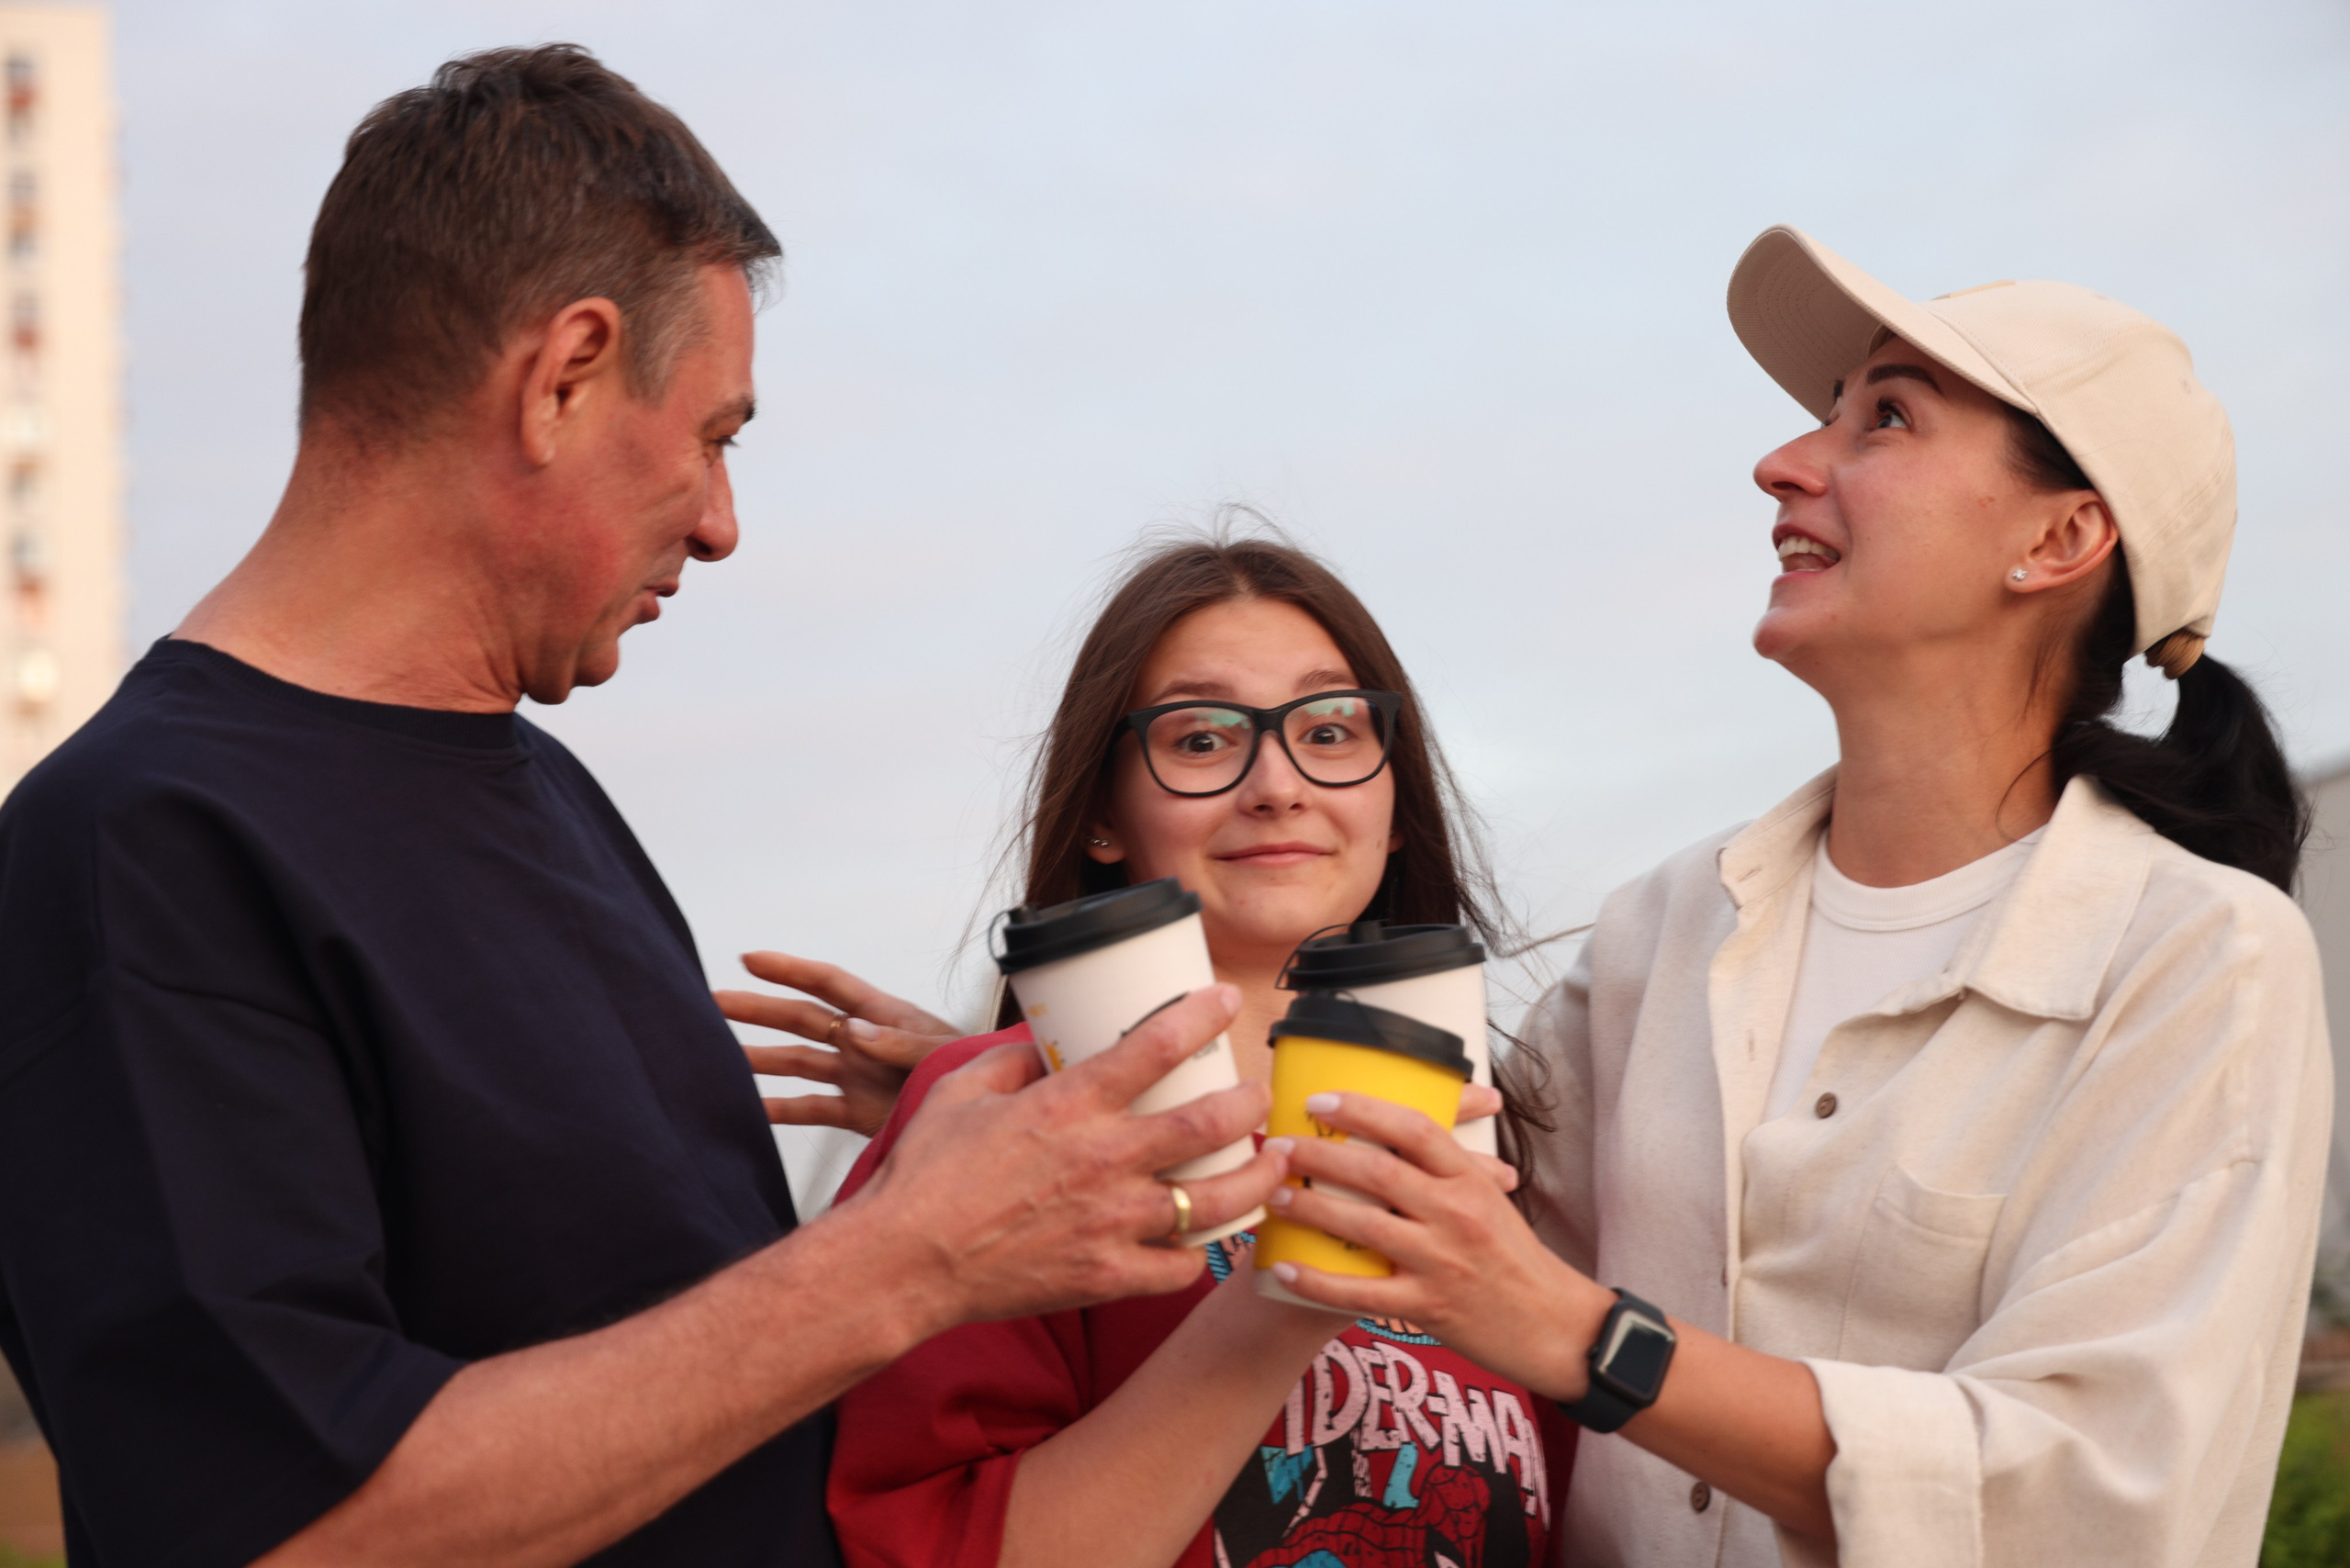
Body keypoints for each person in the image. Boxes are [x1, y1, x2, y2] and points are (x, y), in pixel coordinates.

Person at [0, 47, 1286, 1567]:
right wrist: (909, 1254)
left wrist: (972, 1161)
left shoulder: (548, 796)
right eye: (716, 433)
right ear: (562, 377)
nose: (727, 523)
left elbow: (692, 1371)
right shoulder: (138, 843)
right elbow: (290, 1524)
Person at [1248, 227, 2332, 1568]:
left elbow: (2088, 1496)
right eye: (1826, 412)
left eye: (1885, 415)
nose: (1785, 462)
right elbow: (1416, 1247)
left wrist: (1583, 1340)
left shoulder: (2198, 959)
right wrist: (1010, 1090)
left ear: (2061, 537)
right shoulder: (1664, 930)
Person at [729, 534, 1568, 1568]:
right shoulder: (995, 1124)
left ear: (1394, 809)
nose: (1277, 785)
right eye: (1204, 739)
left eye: (1331, 728)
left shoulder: (1499, 1141)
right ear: (1100, 818)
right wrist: (1290, 1286)